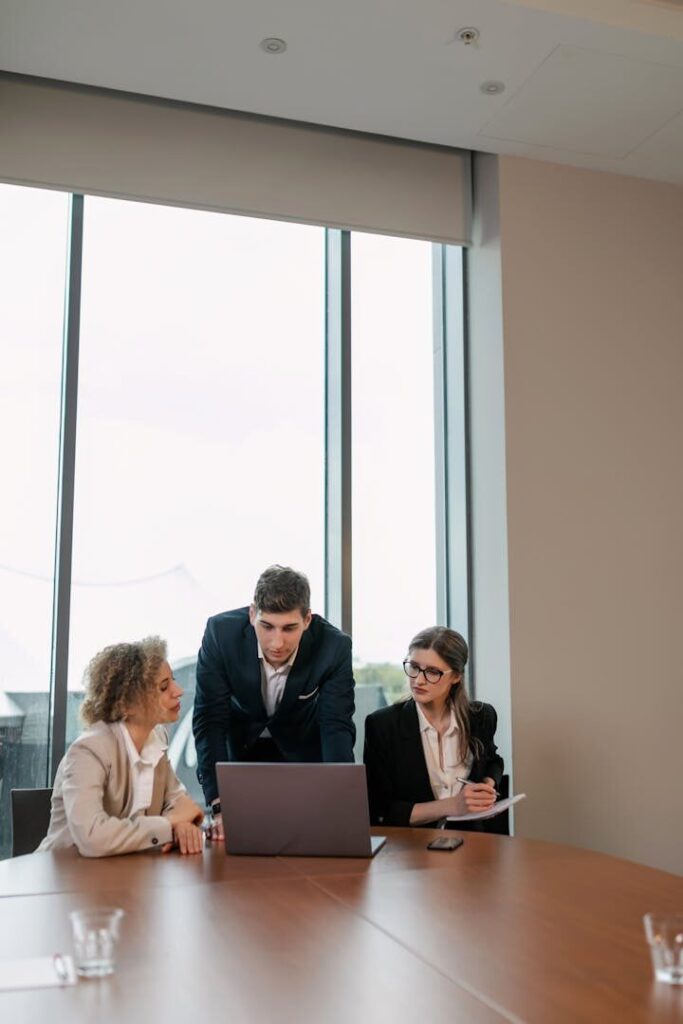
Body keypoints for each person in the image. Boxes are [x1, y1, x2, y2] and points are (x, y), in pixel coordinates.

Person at [193, 565, 355, 839]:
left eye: (289, 628)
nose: (277, 642)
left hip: (303, 753)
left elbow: (335, 726)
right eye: (267, 626)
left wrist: (342, 804)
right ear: (252, 613)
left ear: (307, 620)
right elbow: (210, 721)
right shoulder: (220, 635)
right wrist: (217, 802)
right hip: (241, 751)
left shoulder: (334, 646)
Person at [39, 637, 205, 857]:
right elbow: (92, 836)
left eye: (172, 680)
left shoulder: (155, 738)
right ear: (128, 704)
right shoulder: (89, 750)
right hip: (64, 879)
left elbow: (178, 800)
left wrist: (182, 824)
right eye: (164, 687)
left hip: (122, 876)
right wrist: (169, 825)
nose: (178, 691)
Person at [363, 626, 503, 829]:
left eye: (432, 672)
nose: (418, 680)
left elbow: (493, 760)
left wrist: (488, 785)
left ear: (456, 676)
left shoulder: (481, 717)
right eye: (413, 667)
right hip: (409, 849)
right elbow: (380, 811)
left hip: (472, 843)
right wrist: (452, 806)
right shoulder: (383, 726)